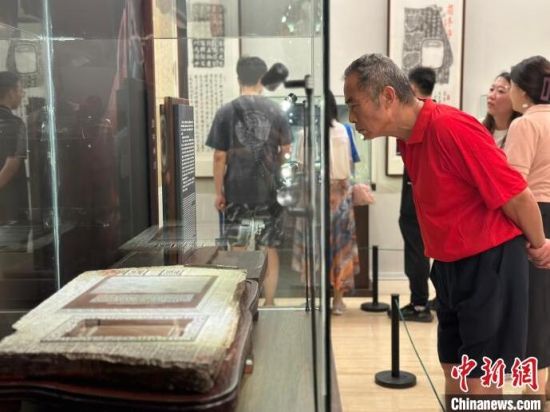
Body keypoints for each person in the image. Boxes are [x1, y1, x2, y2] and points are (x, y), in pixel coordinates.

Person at [343, 54, 550, 399]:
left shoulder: (452, 127)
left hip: (490, 263)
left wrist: (540, 245)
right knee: (454, 371)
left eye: (354, 105)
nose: (352, 117)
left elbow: (517, 196)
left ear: (388, 96)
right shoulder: (409, 139)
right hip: (450, 266)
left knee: (480, 384)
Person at [206, 56, 291, 306]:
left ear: (238, 77)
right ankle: (270, 302)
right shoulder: (276, 110)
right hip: (269, 191)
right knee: (269, 248)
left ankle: (242, 304)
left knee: (239, 248)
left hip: (236, 190)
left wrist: (219, 192)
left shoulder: (226, 112)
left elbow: (219, 156)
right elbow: (286, 150)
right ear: (262, 79)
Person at [504, 55, 550, 399]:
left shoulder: (525, 124)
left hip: (536, 218)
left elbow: (514, 186)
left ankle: (532, 397)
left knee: (535, 314)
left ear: (521, 90)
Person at [396, 66, 436, 322]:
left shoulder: (422, 118)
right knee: (421, 250)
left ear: (412, 88)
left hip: (417, 198)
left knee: (417, 251)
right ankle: (428, 299)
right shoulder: (430, 115)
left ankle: (420, 304)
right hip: (419, 195)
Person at [326, 90, 359, 315]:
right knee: (341, 250)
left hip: (318, 198)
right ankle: (337, 301)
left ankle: (317, 300)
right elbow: (353, 164)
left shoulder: (309, 132)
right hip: (341, 199)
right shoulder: (345, 130)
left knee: (318, 250)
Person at [0, 71, 28, 226]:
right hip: (9, 205)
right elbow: (11, 165)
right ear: (11, 92)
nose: (21, 95)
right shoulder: (15, 124)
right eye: (20, 90)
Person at [481, 72, 521, 148]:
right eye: (491, 89)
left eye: (500, 91)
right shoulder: (479, 126)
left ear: (515, 98)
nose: (491, 96)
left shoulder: (520, 132)